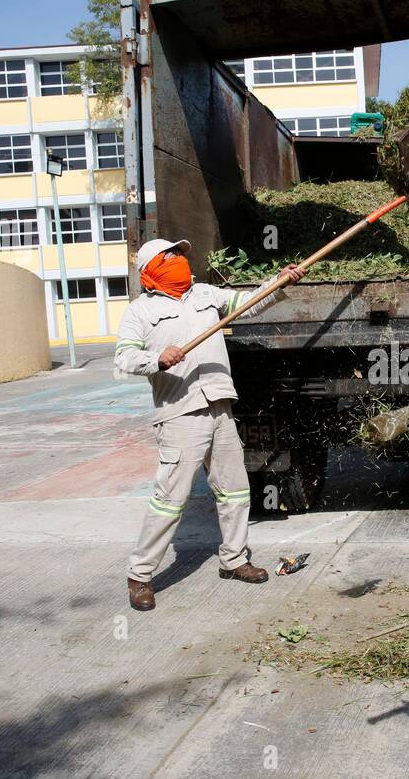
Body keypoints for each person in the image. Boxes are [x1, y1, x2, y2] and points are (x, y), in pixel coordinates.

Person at [114, 238, 305, 611]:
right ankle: (139, 574)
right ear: (151, 270)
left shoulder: (205, 293)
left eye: (181, 254)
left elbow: (247, 304)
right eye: (170, 256)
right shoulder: (139, 312)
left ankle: (234, 560)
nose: (179, 259)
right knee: (171, 499)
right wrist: (157, 358)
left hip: (219, 403)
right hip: (179, 412)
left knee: (234, 489)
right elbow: (124, 358)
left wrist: (280, 283)